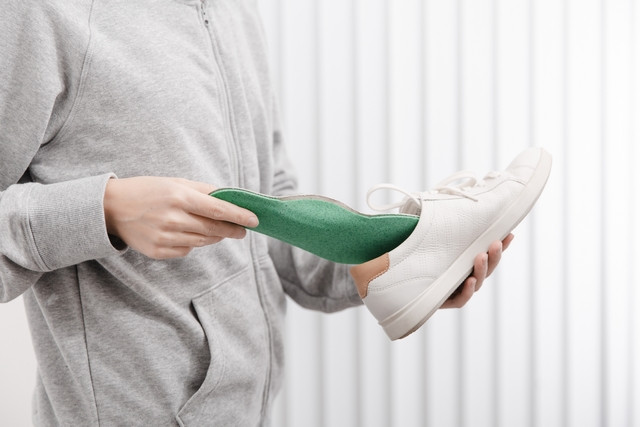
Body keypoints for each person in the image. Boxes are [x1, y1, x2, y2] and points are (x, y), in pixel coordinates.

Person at [0, 1, 510, 425]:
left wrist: (387, 267)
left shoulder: (233, 10)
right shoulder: (39, 13)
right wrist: (107, 210)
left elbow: (269, 210)